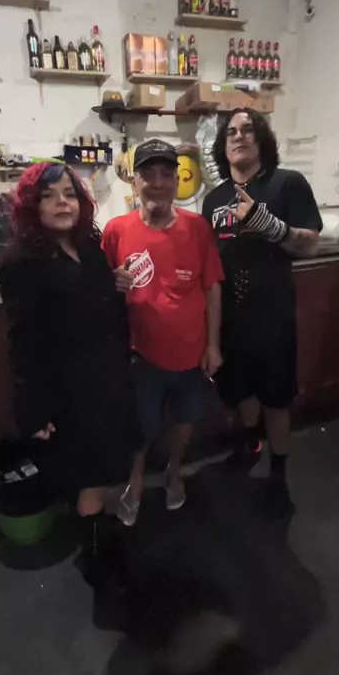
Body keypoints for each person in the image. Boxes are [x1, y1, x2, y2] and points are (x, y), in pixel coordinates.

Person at [0, 162, 138, 570]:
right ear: (31, 206)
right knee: (91, 477)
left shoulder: (89, 248)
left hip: (108, 383)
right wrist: (32, 410)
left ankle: (99, 537)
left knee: (108, 468)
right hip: (69, 395)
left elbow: (95, 303)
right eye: (48, 196)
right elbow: (23, 343)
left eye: (69, 194)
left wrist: (115, 283)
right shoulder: (23, 262)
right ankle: (94, 558)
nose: (62, 203)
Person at [202, 108, 323, 518]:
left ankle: (279, 473)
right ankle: (250, 443)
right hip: (231, 323)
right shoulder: (213, 199)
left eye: (249, 130)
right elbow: (209, 265)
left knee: (277, 400)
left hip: (273, 321)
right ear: (223, 146)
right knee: (241, 393)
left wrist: (268, 224)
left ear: (263, 140)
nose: (239, 136)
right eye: (231, 132)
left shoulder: (286, 183)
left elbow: (311, 244)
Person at [102, 139, 224, 526]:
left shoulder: (197, 227)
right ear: (133, 180)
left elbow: (212, 288)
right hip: (141, 355)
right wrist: (110, 282)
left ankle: (174, 472)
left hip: (191, 353)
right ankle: (136, 482)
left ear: (177, 180)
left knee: (185, 422)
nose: (157, 183)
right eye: (148, 174)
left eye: (166, 175)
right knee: (141, 428)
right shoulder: (116, 230)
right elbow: (99, 291)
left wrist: (214, 346)